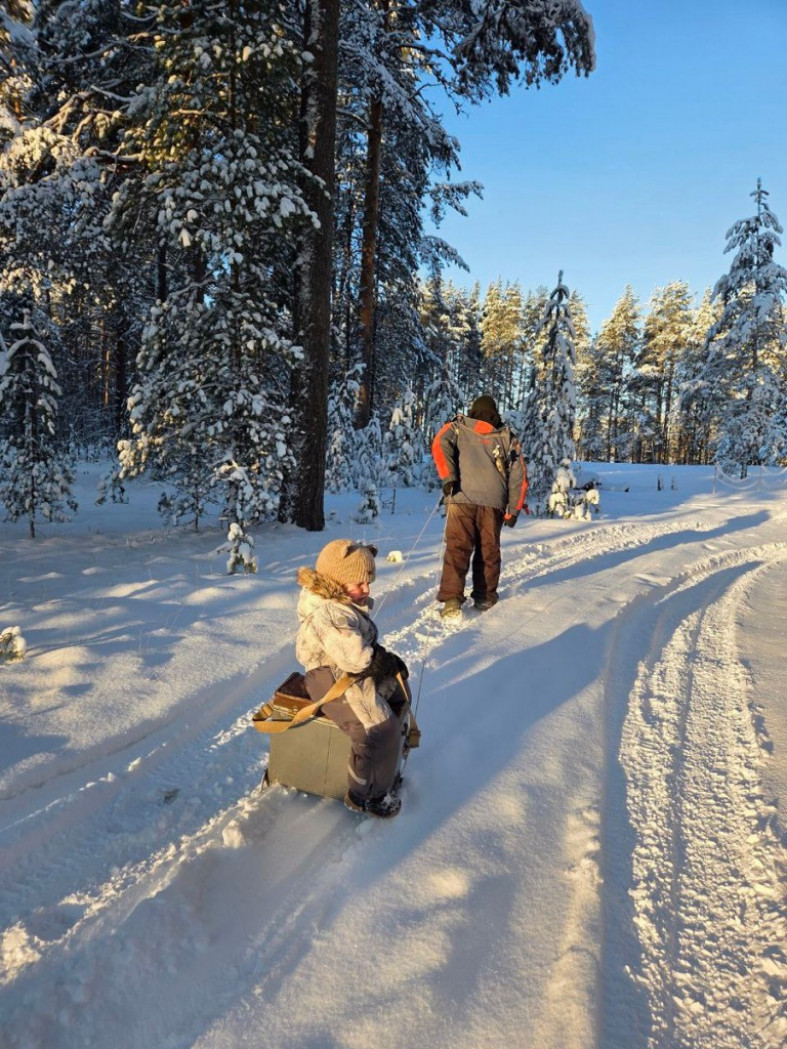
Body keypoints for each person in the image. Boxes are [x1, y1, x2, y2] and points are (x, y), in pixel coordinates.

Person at [295, 539, 408, 818]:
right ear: (337, 579)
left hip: (345, 667)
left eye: (368, 581)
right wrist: (377, 660)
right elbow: (355, 658)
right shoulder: (329, 613)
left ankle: (388, 758)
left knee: (395, 690)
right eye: (359, 583)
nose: (367, 589)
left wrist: (384, 661)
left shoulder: (340, 602)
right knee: (377, 729)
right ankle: (365, 795)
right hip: (331, 676)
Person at [432, 395, 528, 618]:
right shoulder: (507, 437)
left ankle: (452, 600)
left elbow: (439, 444)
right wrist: (513, 509)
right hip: (493, 503)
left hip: (461, 498)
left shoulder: (457, 427)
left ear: (473, 411)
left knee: (458, 548)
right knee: (488, 550)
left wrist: (448, 477)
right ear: (496, 414)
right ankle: (484, 596)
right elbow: (518, 475)